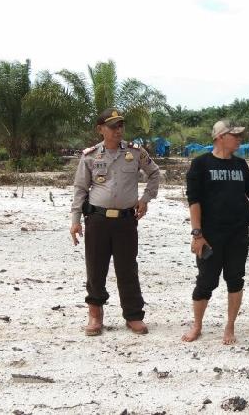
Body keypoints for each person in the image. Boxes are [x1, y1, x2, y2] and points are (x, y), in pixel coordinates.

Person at [181, 119, 249, 345]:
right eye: (235, 135)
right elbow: (194, 201)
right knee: (205, 282)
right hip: (210, 234)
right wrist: (197, 234)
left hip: (238, 233)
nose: (239, 139)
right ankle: (197, 325)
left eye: (240, 136)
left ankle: (230, 326)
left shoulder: (240, 165)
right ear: (220, 137)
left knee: (235, 279)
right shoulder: (201, 164)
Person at [70, 107, 160, 336]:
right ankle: (95, 316)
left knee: (128, 269)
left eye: (121, 125)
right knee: (95, 269)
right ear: (101, 129)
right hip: (97, 220)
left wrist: (145, 199)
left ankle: (133, 316)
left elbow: (154, 173)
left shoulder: (135, 153)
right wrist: (75, 220)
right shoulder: (90, 156)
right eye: (113, 126)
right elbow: (80, 189)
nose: (118, 130)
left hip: (126, 221)